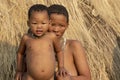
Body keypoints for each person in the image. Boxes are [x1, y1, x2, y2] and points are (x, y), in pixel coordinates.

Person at [15, 4, 67, 80]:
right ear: (28, 23)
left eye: (43, 23)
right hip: (30, 77)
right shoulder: (26, 38)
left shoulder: (51, 37)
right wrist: (19, 70)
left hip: (49, 77)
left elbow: (59, 51)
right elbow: (20, 53)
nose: (39, 26)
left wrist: (61, 67)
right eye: (35, 23)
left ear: (49, 23)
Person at [48, 4, 91, 80]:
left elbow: (87, 77)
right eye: (52, 24)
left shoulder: (73, 46)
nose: (56, 29)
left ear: (67, 26)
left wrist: (69, 79)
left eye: (61, 26)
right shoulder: (35, 46)